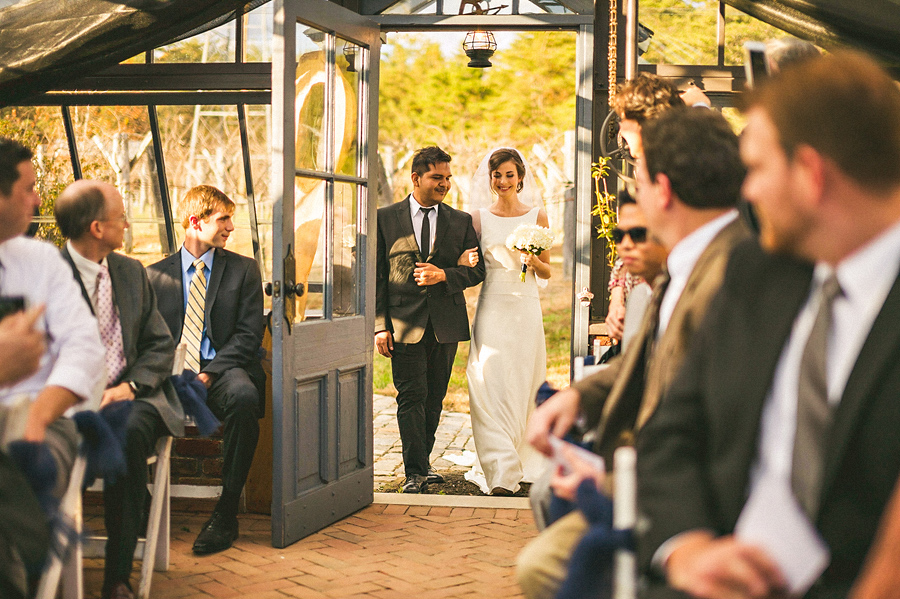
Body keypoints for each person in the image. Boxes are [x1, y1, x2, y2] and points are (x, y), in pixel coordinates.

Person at [637, 50, 900, 599]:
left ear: (810, 173)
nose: (745, 192)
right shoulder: (756, 274)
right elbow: (671, 433)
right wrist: (688, 549)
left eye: (755, 169)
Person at [518, 107, 750, 599]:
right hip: (647, 470)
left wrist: (609, 479)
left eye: (639, 179)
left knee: (540, 568)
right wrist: (579, 396)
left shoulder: (731, 272)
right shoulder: (692, 260)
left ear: (661, 190)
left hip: (686, 503)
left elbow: (712, 417)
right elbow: (648, 358)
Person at [55, 180, 185, 599]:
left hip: (133, 397)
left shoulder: (130, 272)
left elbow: (160, 344)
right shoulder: (48, 278)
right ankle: (47, 565)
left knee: (126, 435)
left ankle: (117, 579)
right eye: (120, 218)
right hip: (65, 402)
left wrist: (130, 386)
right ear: (96, 228)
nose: (127, 225)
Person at [0, 137, 105, 597]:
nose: (39, 199)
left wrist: (40, 416)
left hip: (40, 413)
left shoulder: (41, 262)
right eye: (27, 188)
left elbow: (86, 349)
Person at [148, 185, 264, 555]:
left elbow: (248, 334)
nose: (231, 227)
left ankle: (226, 512)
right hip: (171, 374)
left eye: (231, 218)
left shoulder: (243, 269)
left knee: (245, 396)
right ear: (196, 222)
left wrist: (209, 373)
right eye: (223, 218)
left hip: (222, 368)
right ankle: (137, 507)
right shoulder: (153, 275)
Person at [374, 146, 486, 494]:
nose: (445, 184)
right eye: (438, 177)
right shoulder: (384, 218)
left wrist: (445, 276)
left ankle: (421, 465)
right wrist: (380, 325)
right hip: (402, 324)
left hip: (446, 324)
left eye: (448, 178)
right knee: (411, 396)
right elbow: (377, 276)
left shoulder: (460, 221)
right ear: (416, 178)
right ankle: (414, 472)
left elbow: (477, 270)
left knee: (435, 396)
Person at [462, 147, 551, 496]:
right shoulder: (478, 218)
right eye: (496, 175)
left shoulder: (537, 215)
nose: (502, 182)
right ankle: (500, 467)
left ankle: (524, 455)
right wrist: (466, 259)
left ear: (520, 177)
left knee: (524, 380)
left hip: (525, 306)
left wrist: (531, 258)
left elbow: (546, 271)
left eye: (509, 175)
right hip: (492, 306)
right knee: (487, 379)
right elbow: (468, 264)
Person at [611, 191, 667, 351]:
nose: (626, 244)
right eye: (618, 235)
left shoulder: (684, 292)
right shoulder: (639, 296)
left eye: (638, 234)